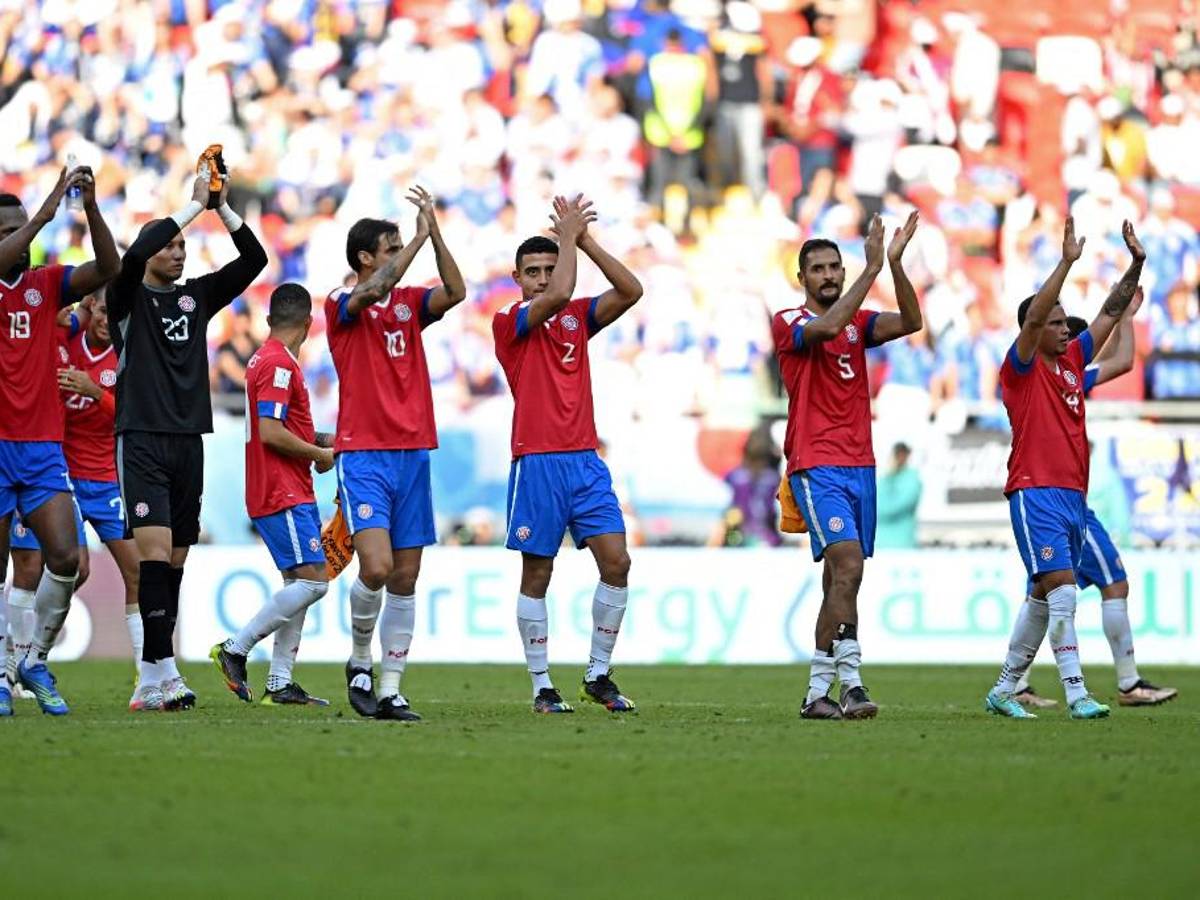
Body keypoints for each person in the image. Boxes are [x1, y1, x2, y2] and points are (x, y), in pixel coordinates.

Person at [110, 164, 267, 713]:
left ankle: (152, 677)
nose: (179, 252)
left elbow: (255, 261)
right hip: (143, 437)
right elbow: (132, 257)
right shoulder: (124, 298)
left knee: (175, 563)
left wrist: (221, 207)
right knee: (153, 558)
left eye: (184, 246)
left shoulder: (196, 298)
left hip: (188, 438)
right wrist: (191, 205)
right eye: (171, 245)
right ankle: (160, 675)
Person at [984, 217, 1144, 720]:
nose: (1062, 327)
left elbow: (1109, 312)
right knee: (1064, 595)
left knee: (1040, 595)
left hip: (1073, 494)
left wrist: (1136, 265)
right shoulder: (1020, 368)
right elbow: (1033, 322)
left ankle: (1004, 689)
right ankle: (1077, 694)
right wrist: (1067, 262)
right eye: (1054, 321)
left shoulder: (1074, 360)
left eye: (1062, 321)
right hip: (1035, 492)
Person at [492, 194, 644, 714]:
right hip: (536, 461)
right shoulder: (510, 321)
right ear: (517, 278)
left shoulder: (577, 317)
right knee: (537, 575)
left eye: (547, 269)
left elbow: (631, 289)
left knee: (617, 561)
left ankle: (597, 674)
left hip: (584, 460)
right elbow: (558, 295)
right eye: (531, 271)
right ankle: (541, 686)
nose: (540, 278)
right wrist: (567, 245)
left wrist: (586, 242)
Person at [771, 211, 923, 721]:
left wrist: (895, 265)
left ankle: (830, 691)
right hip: (816, 464)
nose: (830, 275)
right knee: (849, 567)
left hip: (861, 464)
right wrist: (871, 269)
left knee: (842, 578)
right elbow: (830, 325)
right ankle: (840, 685)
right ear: (803, 278)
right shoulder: (790, 322)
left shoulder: (859, 322)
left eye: (836, 266)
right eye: (819, 269)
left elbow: (911, 321)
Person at [325, 187, 466, 721]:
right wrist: (420, 241)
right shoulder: (341, 304)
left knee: (406, 576)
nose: (399, 254)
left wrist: (436, 235)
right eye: (392, 246)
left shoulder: (409, 306)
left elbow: (455, 289)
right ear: (366, 257)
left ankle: (390, 687)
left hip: (413, 454)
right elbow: (379, 286)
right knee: (377, 566)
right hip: (364, 454)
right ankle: (359, 660)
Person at [1015, 303, 1177, 709]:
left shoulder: (1073, 378)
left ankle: (1014, 685)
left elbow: (1122, 361)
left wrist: (1126, 316)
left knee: (1042, 593)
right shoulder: (1037, 374)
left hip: (1065, 495)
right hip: (1056, 498)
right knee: (1107, 584)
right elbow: (1118, 360)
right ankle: (1126, 684)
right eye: (1060, 329)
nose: (1068, 337)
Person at [0, 165, 119, 717]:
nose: (19, 240)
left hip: (43, 447)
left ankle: (27, 660)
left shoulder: (46, 286)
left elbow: (109, 269)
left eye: (21, 229)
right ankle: (2, 674)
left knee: (67, 557)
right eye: (8, 232)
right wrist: (48, 208)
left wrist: (89, 209)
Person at [210, 283, 335, 706]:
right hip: (281, 490)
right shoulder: (279, 365)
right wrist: (319, 452)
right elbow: (271, 433)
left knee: (296, 583)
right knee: (314, 583)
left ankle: (280, 682)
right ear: (309, 324)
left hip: (282, 487)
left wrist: (322, 438)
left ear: (268, 321)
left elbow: (283, 427)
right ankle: (235, 649)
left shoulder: (263, 360)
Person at [875, 443, 921, 549]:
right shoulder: (884, 479)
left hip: (903, 545)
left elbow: (892, 507)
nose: (899, 457)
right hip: (880, 545)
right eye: (897, 454)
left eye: (902, 454)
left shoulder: (912, 479)